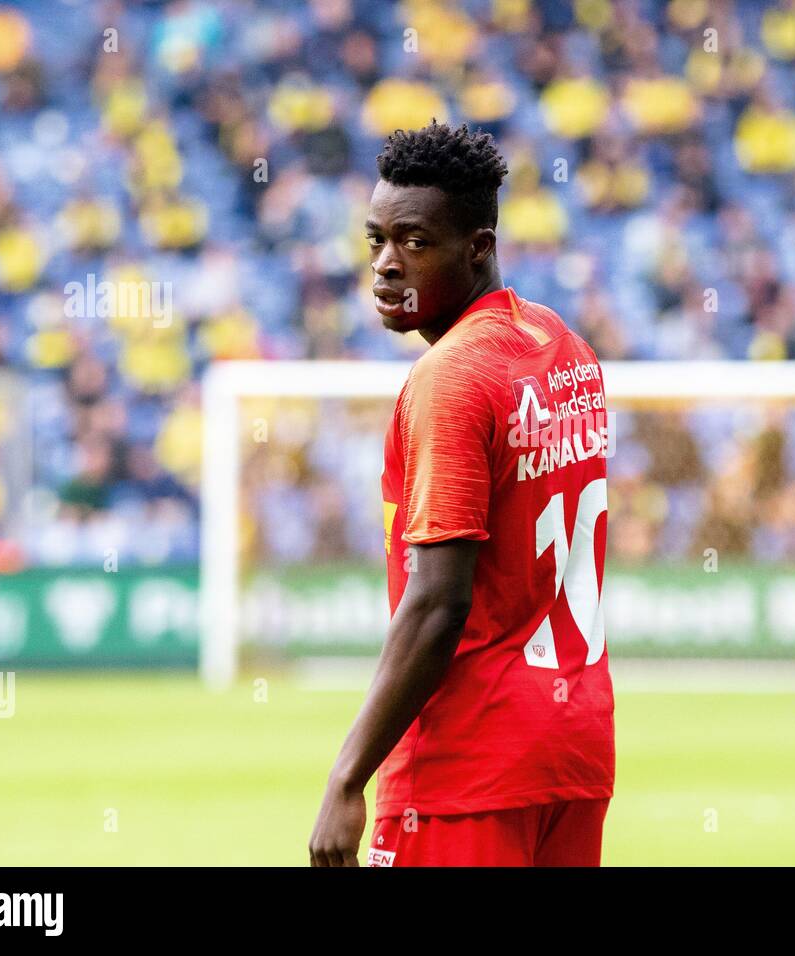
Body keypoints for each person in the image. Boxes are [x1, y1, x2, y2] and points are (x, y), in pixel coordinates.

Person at [309, 121, 615, 866]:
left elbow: (440, 601)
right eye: (375, 239)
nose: (386, 265)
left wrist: (348, 778)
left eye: (414, 242)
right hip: (573, 748)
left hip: (468, 764)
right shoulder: (561, 346)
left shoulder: (450, 379)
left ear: (478, 246)